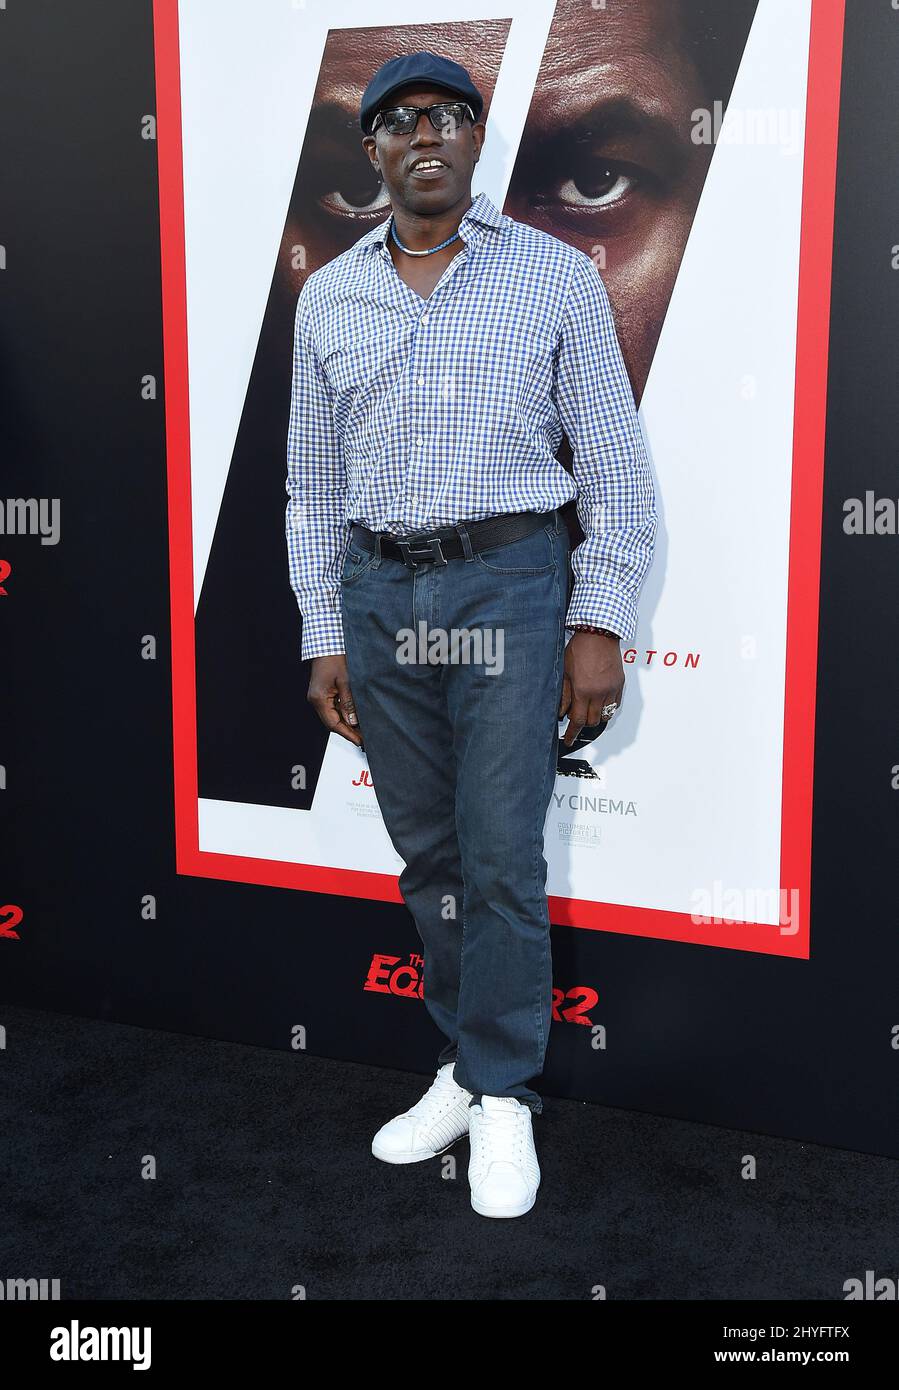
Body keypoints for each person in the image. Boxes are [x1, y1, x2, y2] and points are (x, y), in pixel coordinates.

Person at [286, 51, 657, 1218]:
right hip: (379, 593)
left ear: (471, 139)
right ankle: (463, 1061)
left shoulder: (550, 277)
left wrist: (596, 619)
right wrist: (323, 626)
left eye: (447, 114)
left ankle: (501, 1093)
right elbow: (310, 481)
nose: (424, 134)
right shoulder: (329, 297)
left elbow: (610, 466)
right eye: (399, 120)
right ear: (375, 153)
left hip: (507, 583)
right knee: (432, 856)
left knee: (498, 853)